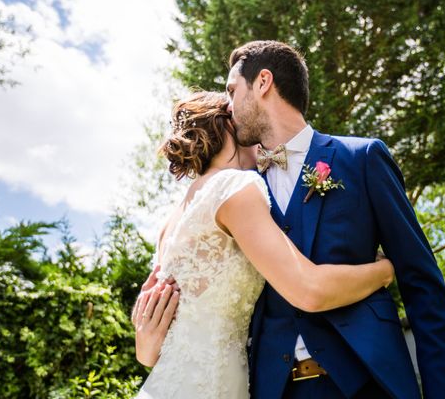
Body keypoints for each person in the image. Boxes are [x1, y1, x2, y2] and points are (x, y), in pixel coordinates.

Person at [225, 41, 445, 399]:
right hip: (275, 389)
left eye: (232, 91)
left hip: (369, 381)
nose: (229, 107)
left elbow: (424, 287)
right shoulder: (240, 189)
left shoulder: (361, 158)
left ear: (262, 82)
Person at [132, 91, 395, 399]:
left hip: (168, 384)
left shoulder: (173, 217)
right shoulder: (236, 186)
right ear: (230, 126)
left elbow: (150, 348)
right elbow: (308, 289)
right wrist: (385, 271)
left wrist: (143, 348)